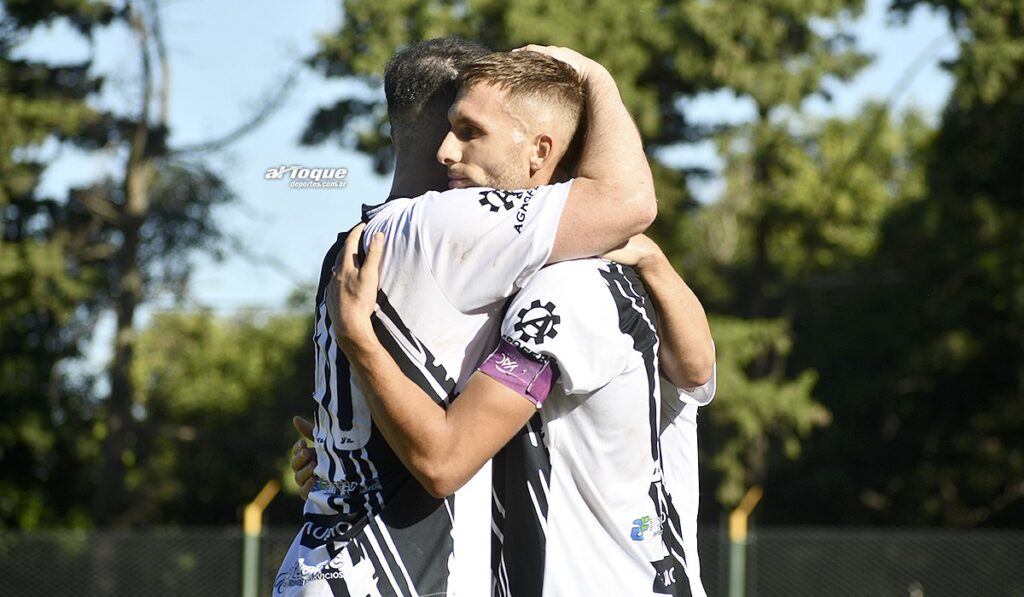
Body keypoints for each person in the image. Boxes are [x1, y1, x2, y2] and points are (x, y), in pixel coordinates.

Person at [275, 39, 657, 597]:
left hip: (313, 564)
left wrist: (330, 454)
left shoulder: (352, 244)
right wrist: (595, 76)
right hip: (393, 574)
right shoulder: (449, 224)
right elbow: (629, 203)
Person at [323, 221, 715, 596]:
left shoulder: (567, 289)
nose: (446, 153)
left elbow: (444, 459)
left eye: (472, 144)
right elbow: (696, 372)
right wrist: (344, 457)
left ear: (540, 151)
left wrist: (357, 337)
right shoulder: (524, 290)